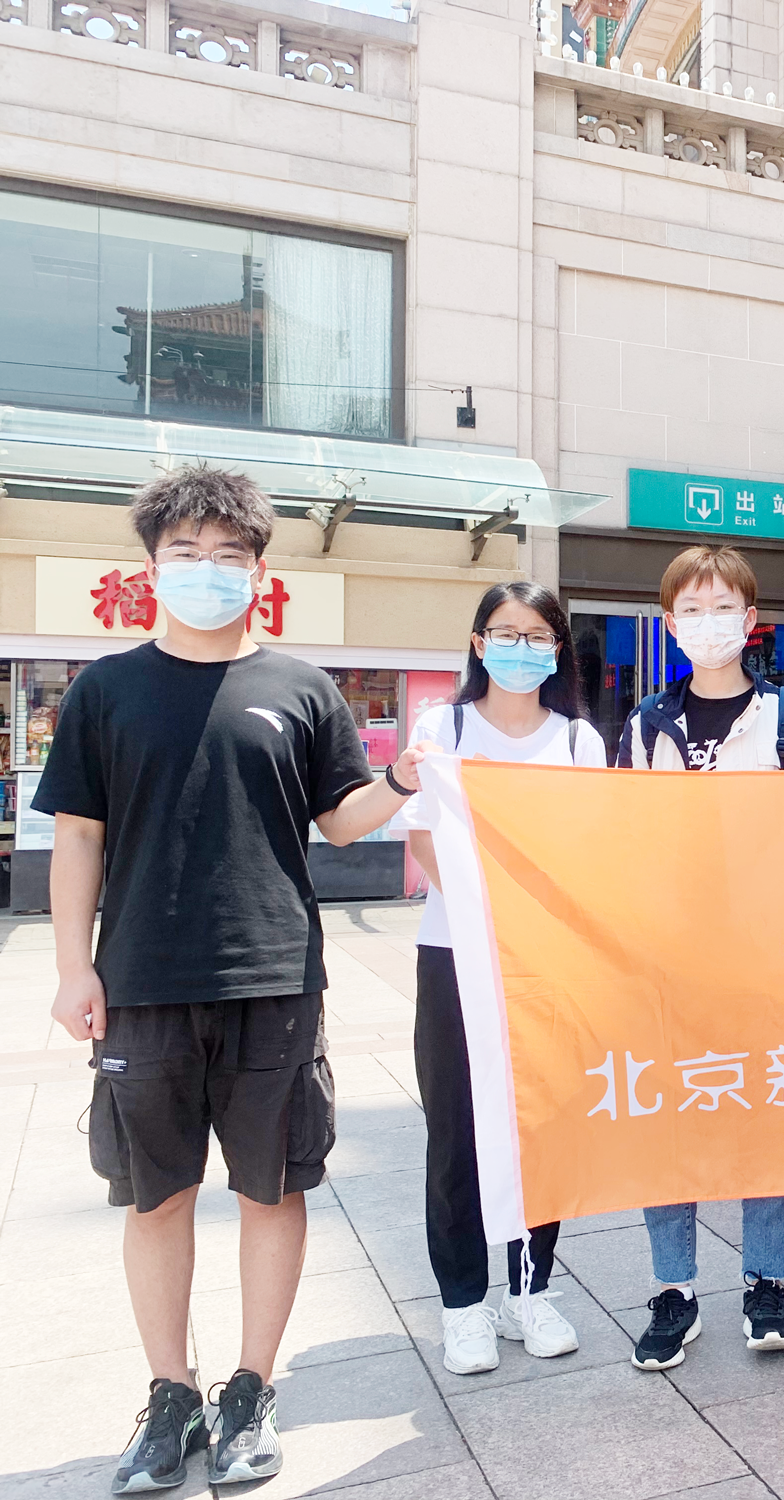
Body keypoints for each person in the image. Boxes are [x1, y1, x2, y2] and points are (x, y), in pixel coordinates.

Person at [35, 467, 431, 1493]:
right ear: (151, 565)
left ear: (259, 569)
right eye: (185, 552)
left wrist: (401, 779)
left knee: (273, 1187)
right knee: (156, 1197)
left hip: (275, 978)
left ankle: (251, 1390)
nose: (206, 569)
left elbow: (339, 819)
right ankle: (170, 1395)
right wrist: (74, 966)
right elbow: (77, 836)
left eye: (227, 554)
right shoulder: (105, 690)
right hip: (142, 983)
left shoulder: (301, 688)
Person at [614, 545, 784, 1371]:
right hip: (668, 956)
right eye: (692, 610)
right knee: (669, 1119)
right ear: (671, 625)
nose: (709, 624)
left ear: (751, 619)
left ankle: (766, 1282)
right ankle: (674, 1289)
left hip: (763, 956)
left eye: (723, 608)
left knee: (763, 1114)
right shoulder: (645, 723)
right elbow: (625, 838)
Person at [404, 583, 607, 1375]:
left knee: (539, 1126)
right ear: (479, 643)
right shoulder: (443, 728)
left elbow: (593, 848)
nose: (522, 648)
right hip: (456, 951)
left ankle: (530, 1291)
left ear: (558, 648)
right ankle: (463, 1305)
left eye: (538, 635)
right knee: (456, 1132)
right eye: (506, 633)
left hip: (547, 959)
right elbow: (423, 837)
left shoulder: (579, 740)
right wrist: (485, 910)